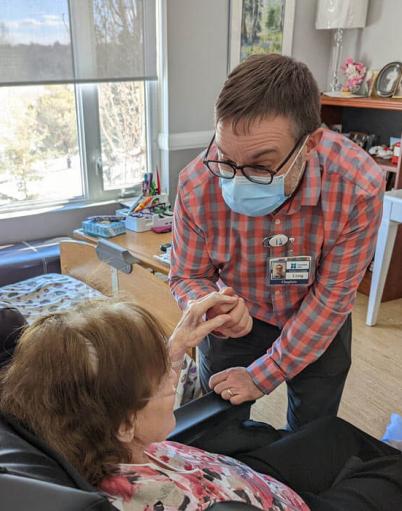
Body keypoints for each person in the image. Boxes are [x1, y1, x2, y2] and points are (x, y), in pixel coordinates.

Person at [1, 297, 402, 511]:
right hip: (265, 500)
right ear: (126, 422)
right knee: (391, 470)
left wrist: (172, 350)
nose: (173, 380)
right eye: (162, 381)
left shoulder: (86, 426)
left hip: (229, 474)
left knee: (332, 431)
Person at [169, 54, 385, 430]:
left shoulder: (357, 186)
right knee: (215, 431)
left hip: (317, 318)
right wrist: (211, 309)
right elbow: (185, 275)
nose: (237, 180)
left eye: (261, 165)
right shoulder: (197, 184)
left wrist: (263, 375)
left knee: (311, 436)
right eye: (226, 158)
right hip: (235, 320)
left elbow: (332, 299)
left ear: (310, 144)